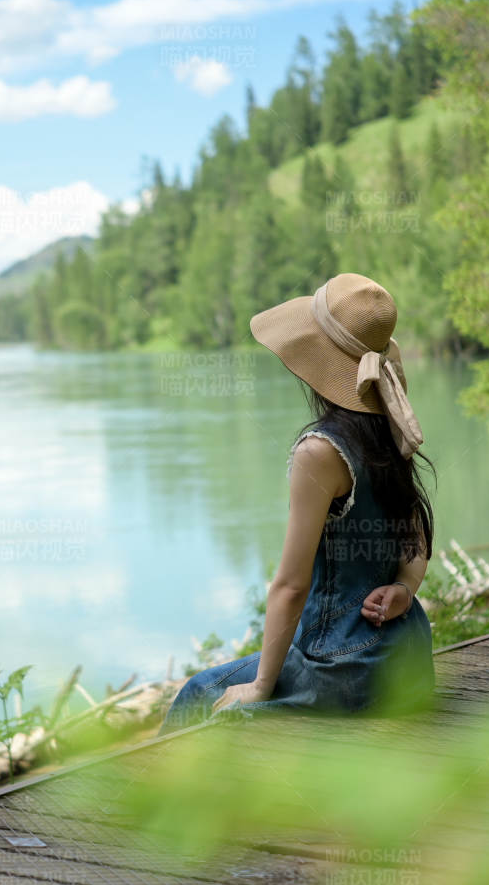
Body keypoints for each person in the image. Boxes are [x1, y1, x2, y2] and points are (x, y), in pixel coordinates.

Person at [158, 273, 437, 731]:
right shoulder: (391, 424)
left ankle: (156, 801)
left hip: (346, 670)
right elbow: (417, 534)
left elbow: (290, 586)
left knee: (198, 694)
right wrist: (405, 589)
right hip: (406, 661)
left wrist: (261, 686)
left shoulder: (320, 452)